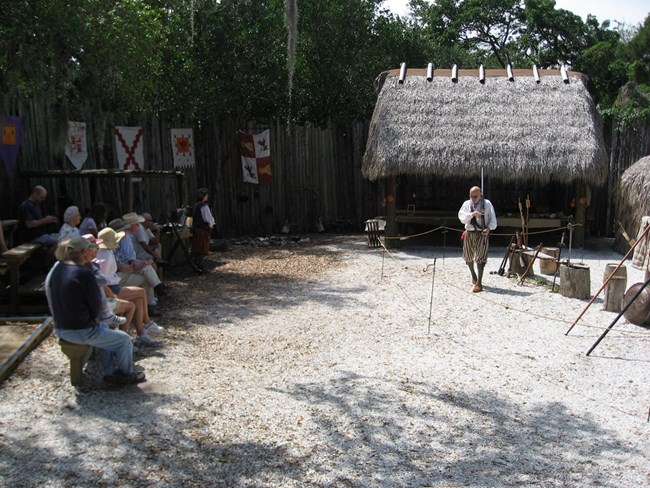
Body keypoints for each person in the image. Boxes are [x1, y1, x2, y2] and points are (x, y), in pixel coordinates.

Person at [44, 237, 145, 385]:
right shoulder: (85, 274)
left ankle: (109, 373)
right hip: (81, 331)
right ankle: (126, 374)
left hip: (60, 328)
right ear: (84, 252)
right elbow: (96, 307)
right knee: (124, 340)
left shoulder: (56, 269)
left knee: (105, 328)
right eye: (90, 249)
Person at [94, 227, 164, 339]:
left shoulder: (104, 252)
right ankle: (147, 322)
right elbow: (102, 280)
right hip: (112, 289)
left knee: (139, 301)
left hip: (113, 286)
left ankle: (140, 333)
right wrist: (110, 294)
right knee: (141, 292)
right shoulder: (106, 255)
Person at [110, 214, 167, 307]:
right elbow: (122, 266)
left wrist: (137, 263)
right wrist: (138, 264)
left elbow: (129, 258)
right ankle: (152, 300)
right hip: (118, 275)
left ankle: (152, 299)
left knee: (147, 269)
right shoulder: (119, 243)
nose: (138, 226)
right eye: (136, 224)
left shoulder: (125, 237)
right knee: (146, 273)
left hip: (128, 266)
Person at [458, 185, 497, 292]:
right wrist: (472, 214)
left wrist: (489, 228)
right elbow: (461, 217)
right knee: (468, 255)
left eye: (475, 196)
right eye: (471, 196)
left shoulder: (487, 204)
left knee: (481, 257)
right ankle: (473, 275)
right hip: (469, 232)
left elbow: (493, 219)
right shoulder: (467, 204)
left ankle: (479, 283)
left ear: (481, 195)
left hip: (482, 233)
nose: (473, 198)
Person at [191, 188, 216, 272]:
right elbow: (208, 218)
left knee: (198, 247)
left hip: (197, 229)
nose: (207, 196)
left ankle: (197, 264)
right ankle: (199, 266)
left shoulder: (196, 205)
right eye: (206, 195)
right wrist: (211, 224)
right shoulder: (203, 206)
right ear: (203, 196)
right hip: (202, 229)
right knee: (201, 247)